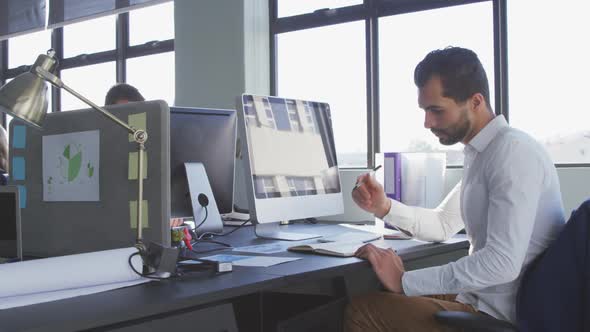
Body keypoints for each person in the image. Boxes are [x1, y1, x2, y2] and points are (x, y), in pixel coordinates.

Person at [345, 47, 565, 331]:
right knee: (378, 290)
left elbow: (502, 263)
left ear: (475, 101)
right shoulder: (484, 153)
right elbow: (444, 223)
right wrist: (384, 207)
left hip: (503, 313)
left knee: (362, 310)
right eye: (425, 110)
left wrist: (405, 281)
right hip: (482, 298)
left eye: (436, 110)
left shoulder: (512, 153)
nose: (427, 123)